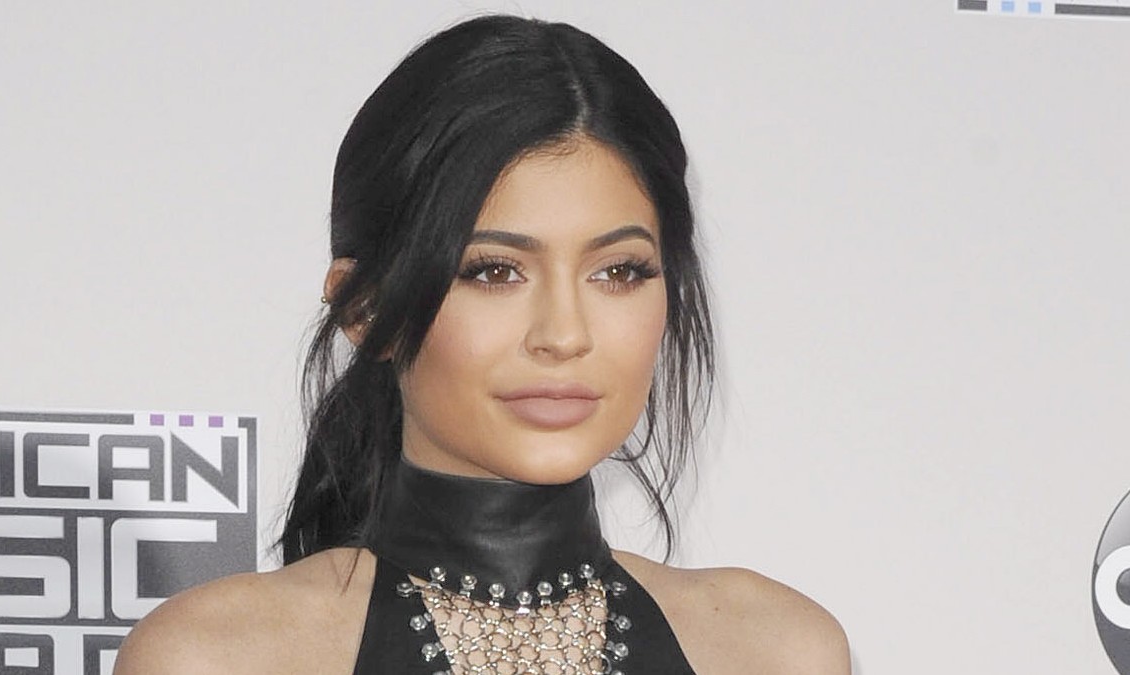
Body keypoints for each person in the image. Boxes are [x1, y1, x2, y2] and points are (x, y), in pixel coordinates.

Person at [114, 14, 849, 674]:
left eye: (618, 271)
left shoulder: (776, 651)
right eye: (495, 271)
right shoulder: (216, 657)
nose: (564, 334)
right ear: (365, 308)